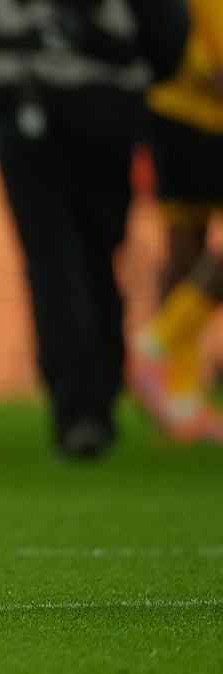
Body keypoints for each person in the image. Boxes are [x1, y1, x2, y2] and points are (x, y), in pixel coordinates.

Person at [0, 0, 189, 460]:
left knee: (53, 261)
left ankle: (77, 409)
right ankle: (101, 398)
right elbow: (167, 34)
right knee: (98, 256)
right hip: (106, 108)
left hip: (22, 105)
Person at [126, 0, 223, 443]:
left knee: (187, 248)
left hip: (194, 112)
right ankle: (170, 378)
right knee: (185, 247)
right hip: (185, 110)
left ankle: (167, 367)